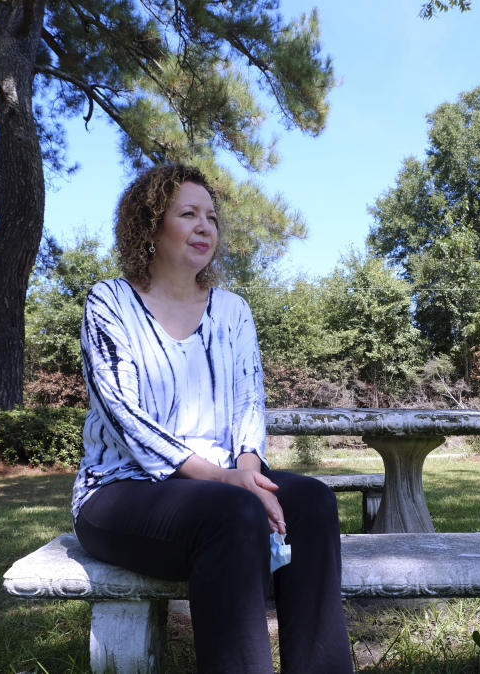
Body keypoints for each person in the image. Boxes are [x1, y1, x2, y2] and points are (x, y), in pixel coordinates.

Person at [71, 164, 353, 673]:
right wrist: (226, 479)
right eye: (188, 214)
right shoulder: (109, 301)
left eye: (212, 217)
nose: (205, 227)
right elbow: (124, 415)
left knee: (311, 501)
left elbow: (249, 401)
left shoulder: (233, 310)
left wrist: (248, 468)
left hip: (224, 485)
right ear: (150, 226)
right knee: (233, 513)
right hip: (121, 491)